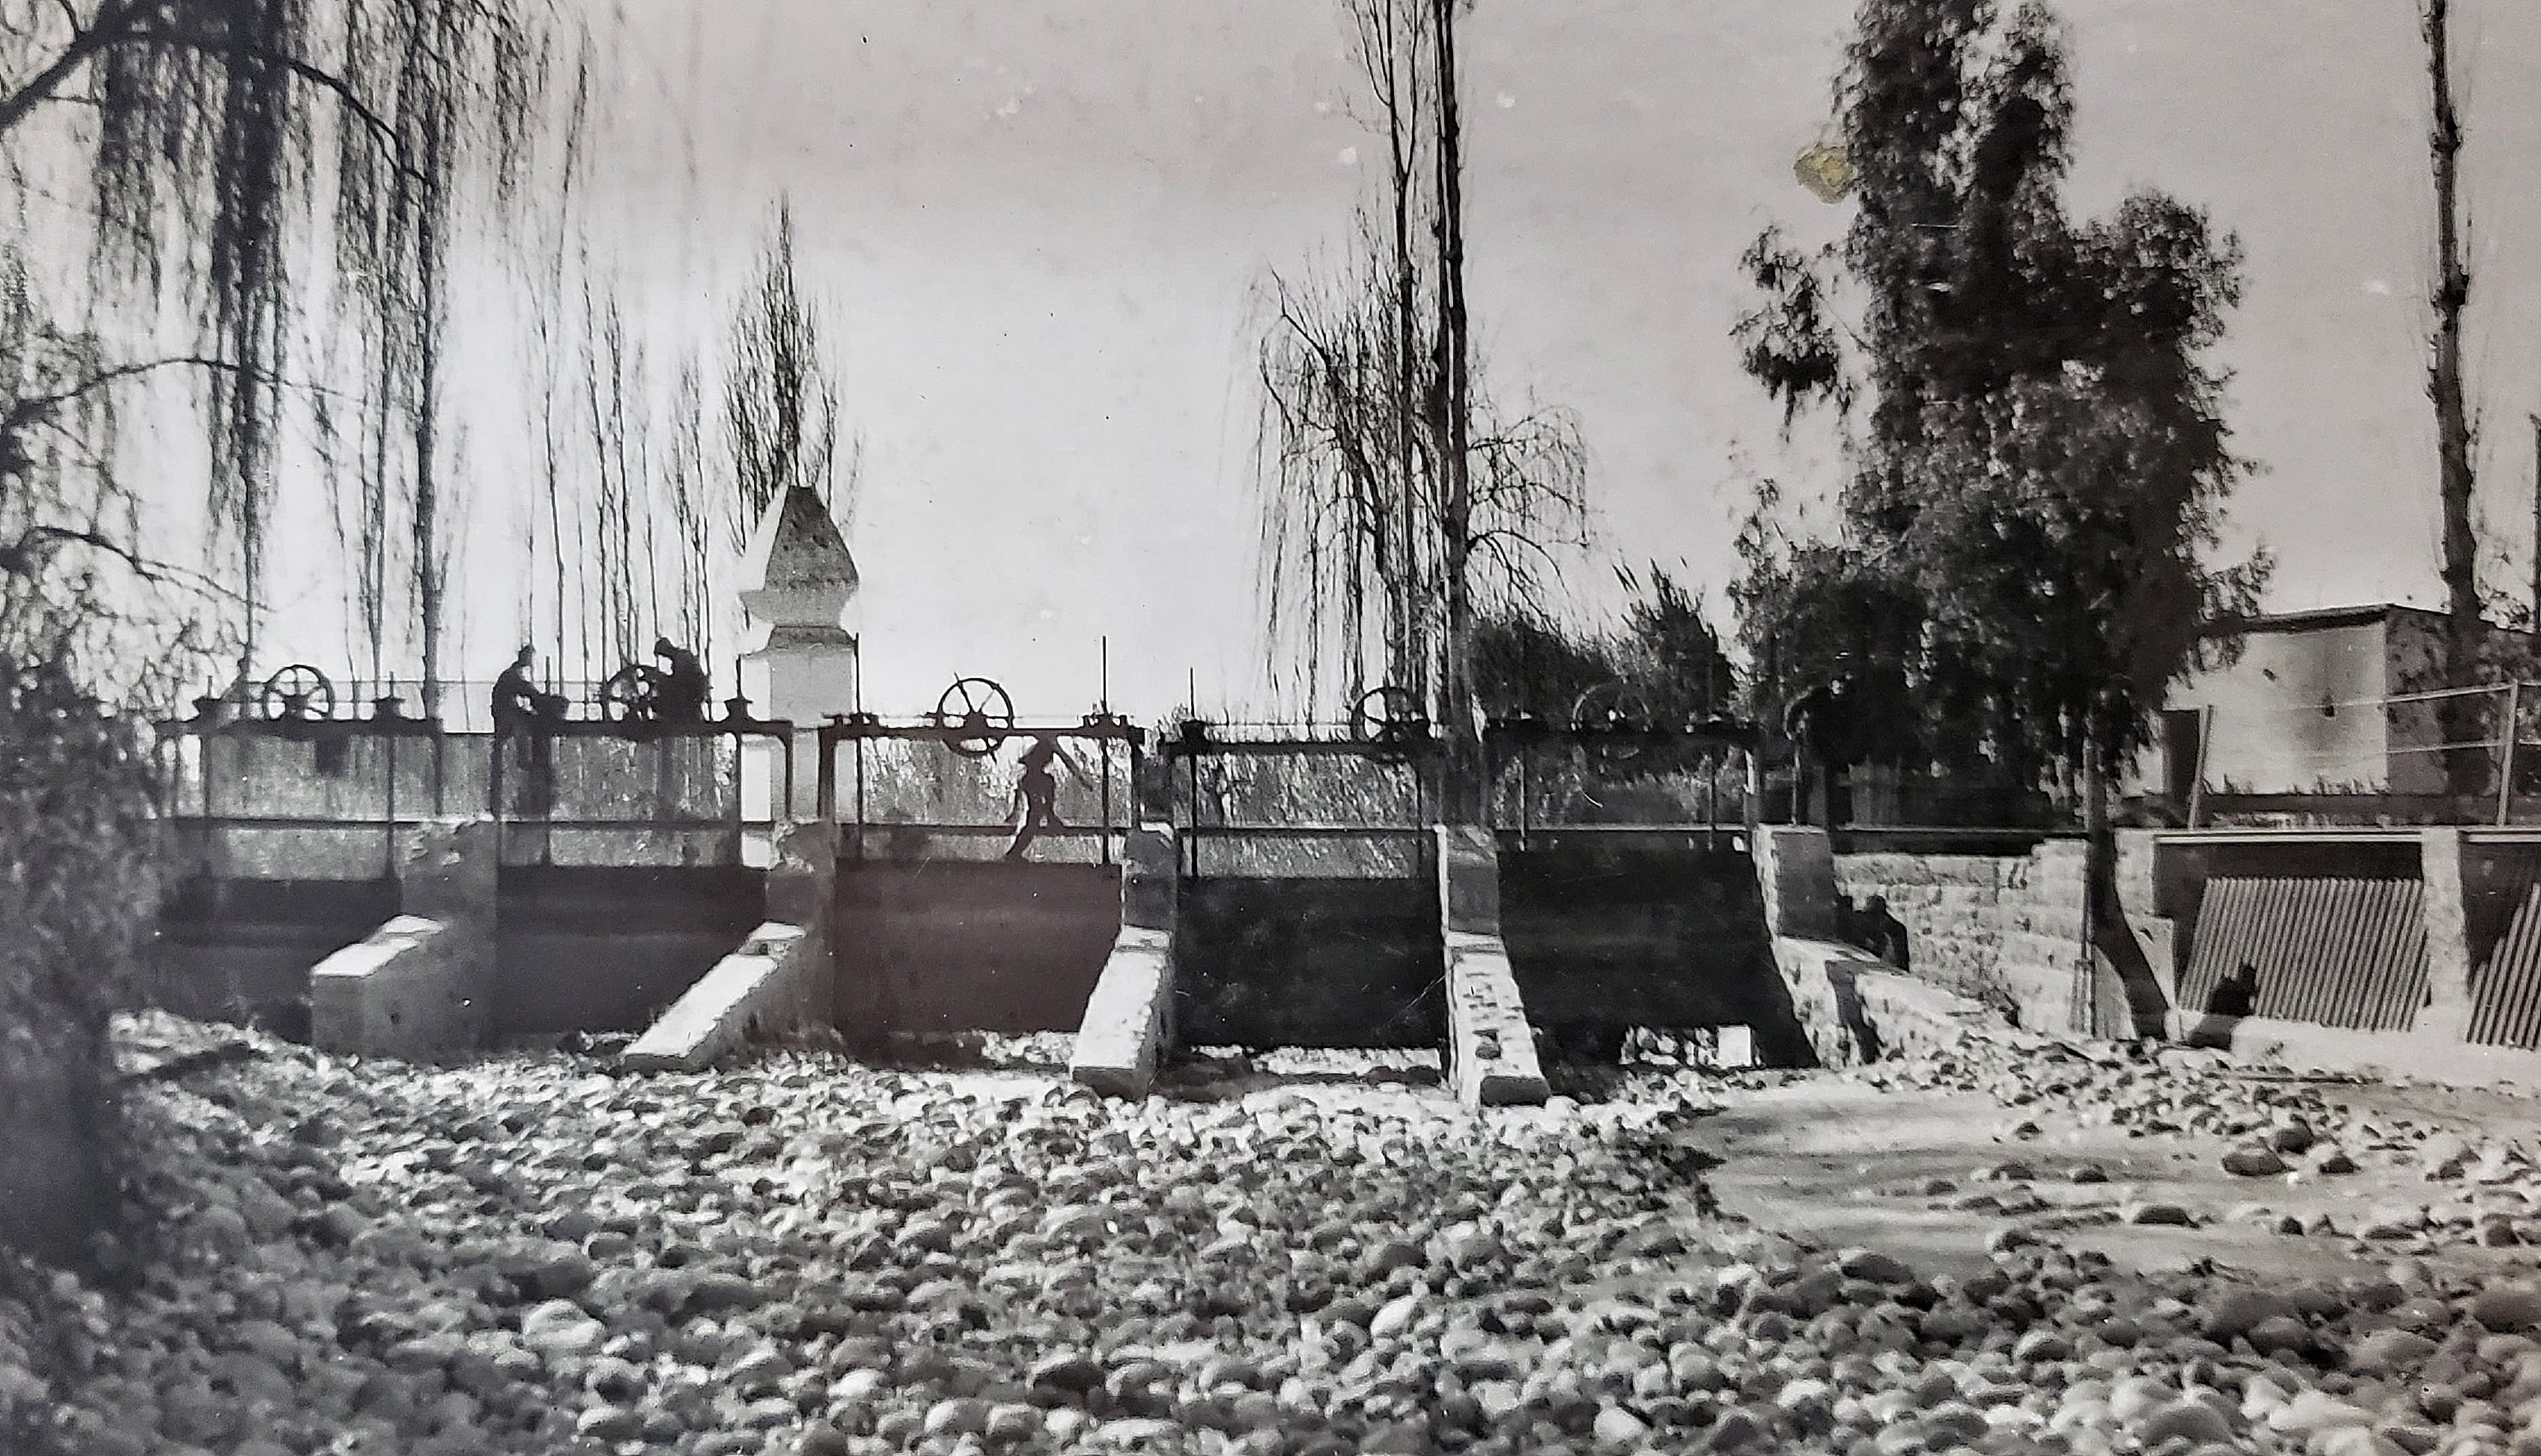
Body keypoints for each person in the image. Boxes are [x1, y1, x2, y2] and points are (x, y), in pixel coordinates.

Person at [1003, 735, 1095, 862]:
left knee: (1036, 814)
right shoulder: (1049, 742)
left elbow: (1066, 761)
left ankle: (1050, 817)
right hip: (1032, 778)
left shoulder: (1044, 744)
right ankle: (1015, 852)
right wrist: (1082, 780)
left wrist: (1082, 780)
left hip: (1031, 778)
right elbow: (1067, 761)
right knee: (1035, 816)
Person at [652, 637, 710, 723]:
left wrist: (662, 679)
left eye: (662, 653)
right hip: (691, 691)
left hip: (691, 692)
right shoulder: (680, 656)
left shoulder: (681, 657)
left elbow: (681, 681)